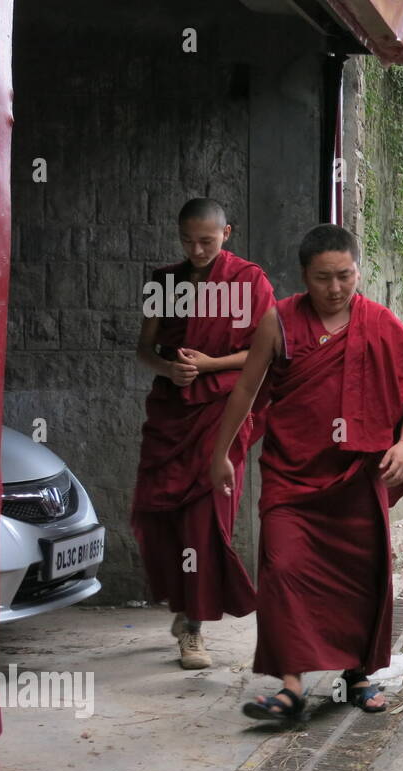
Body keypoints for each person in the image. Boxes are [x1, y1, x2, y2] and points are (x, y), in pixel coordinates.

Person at [209, 225, 403, 721]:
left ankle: (358, 675)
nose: (335, 288)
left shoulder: (379, 322)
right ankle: (289, 686)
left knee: (362, 577)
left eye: (345, 276)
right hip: (291, 473)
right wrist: (222, 453)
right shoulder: (278, 322)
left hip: (354, 476)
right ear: (304, 276)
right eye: (323, 278)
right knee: (282, 570)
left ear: (358, 271)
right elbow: (246, 390)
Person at [132, 197, 276, 670]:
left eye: (207, 241)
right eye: (188, 241)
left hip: (220, 414)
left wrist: (211, 364)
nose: (197, 250)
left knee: (205, 520)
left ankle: (194, 628)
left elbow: (266, 351)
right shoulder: (166, 282)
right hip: (173, 414)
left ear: (227, 234)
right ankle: (182, 603)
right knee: (160, 519)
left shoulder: (248, 280)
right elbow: (145, 349)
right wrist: (169, 370)